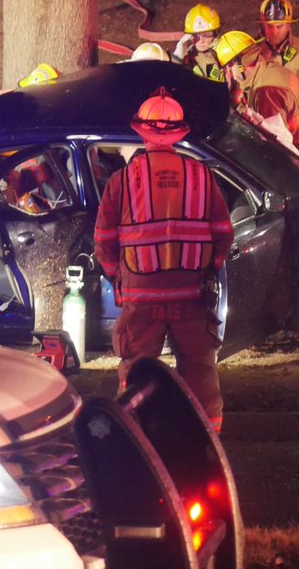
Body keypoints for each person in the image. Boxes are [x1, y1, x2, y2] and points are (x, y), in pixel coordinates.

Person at [94, 88, 233, 431]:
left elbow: (104, 240)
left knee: (138, 364)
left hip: (142, 296)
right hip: (190, 293)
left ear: (141, 132)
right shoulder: (202, 175)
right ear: (179, 133)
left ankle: (136, 431)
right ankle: (208, 434)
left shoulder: (123, 181)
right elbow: (222, 233)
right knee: (199, 364)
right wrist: (209, 270)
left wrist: (118, 278)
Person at [216, 29, 299, 157]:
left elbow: (272, 146)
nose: (227, 72)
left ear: (238, 64)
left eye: (227, 67)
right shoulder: (268, 71)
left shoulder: (266, 91)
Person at [174, 3, 224, 81]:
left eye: (207, 35)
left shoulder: (225, 51)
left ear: (216, 33)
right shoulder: (187, 57)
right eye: (196, 35)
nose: (201, 41)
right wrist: (178, 57)